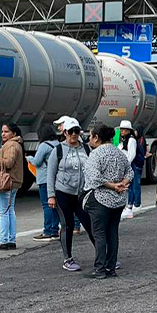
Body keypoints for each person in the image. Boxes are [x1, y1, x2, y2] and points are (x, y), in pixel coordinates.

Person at [82, 123, 133, 279]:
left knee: (99, 234)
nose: (89, 139)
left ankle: (99, 268)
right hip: (118, 201)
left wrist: (112, 185)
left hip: (101, 199)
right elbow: (130, 172)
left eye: (90, 136)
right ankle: (111, 268)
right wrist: (122, 183)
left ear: (96, 137)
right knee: (112, 233)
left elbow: (94, 178)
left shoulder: (96, 154)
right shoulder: (119, 153)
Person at [47, 118, 95, 271]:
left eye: (76, 131)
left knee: (91, 224)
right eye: (70, 131)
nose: (74, 134)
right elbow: (50, 174)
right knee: (67, 225)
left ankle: (104, 255)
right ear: (65, 133)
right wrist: (51, 195)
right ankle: (67, 259)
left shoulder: (87, 149)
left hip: (82, 194)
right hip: (63, 193)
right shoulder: (58, 150)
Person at [0, 123, 25, 250]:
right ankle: (11, 239)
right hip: (13, 182)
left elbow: (7, 163)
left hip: (7, 182)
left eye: (6, 131)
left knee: (3, 212)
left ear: (13, 133)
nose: (3, 134)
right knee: (10, 211)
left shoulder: (11, 145)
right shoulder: (15, 144)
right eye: (2, 131)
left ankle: (4, 240)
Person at [31, 123, 61, 242]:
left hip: (44, 179)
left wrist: (29, 158)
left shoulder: (44, 145)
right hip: (56, 178)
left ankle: (47, 231)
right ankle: (54, 230)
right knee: (55, 205)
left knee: (46, 205)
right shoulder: (58, 144)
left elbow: (37, 162)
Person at [118, 120, 141, 219]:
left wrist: (125, 166)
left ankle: (130, 207)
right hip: (126, 166)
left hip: (129, 166)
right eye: (121, 129)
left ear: (129, 130)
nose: (122, 131)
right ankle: (128, 207)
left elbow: (131, 155)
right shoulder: (124, 140)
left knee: (130, 187)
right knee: (128, 187)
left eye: (124, 129)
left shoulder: (131, 140)